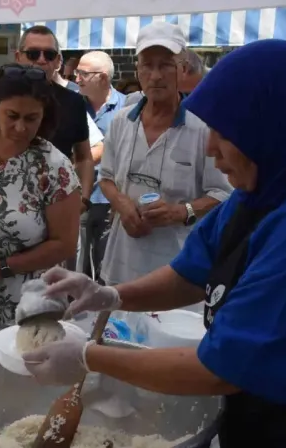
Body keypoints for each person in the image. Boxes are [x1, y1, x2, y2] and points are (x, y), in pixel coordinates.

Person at [22, 40, 286, 447]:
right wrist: (109, 295)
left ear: (277, 129)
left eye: (225, 134)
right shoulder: (264, 189)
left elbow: (224, 367)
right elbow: (192, 272)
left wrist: (89, 357)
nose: (210, 149)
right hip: (267, 414)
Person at [99, 22, 231, 309]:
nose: (155, 75)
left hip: (178, 277)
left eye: (166, 65)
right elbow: (106, 177)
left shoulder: (203, 127)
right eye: (147, 65)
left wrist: (180, 211)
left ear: (182, 69)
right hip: (122, 267)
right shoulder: (122, 122)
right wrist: (121, 203)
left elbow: (224, 195)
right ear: (137, 71)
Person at [0, 64, 81, 334]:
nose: (20, 127)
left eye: (31, 118)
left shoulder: (53, 166)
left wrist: (4, 267)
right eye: (12, 115)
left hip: (28, 302)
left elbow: (65, 244)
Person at [16, 25, 95, 212]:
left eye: (49, 55)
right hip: (12, 207)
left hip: (60, 206)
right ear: (18, 57)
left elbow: (84, 157)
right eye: (33, 54)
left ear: (58, 61)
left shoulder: (74, 101)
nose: (42, 60)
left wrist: (83, 199)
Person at [74, 50, 126, 281]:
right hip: (78, 198)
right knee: (77, 265)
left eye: (83, 74)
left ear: (103, 78)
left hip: (110, 200)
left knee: (106, 264)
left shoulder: (128, 108)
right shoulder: (71, 105)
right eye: (76, 72)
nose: (77, 79)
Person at [125, 47, 204, 108]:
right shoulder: (131, 105)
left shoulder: (201, 124)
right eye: (148, 65)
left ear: (184, 69)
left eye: (189, 95)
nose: (155, 77)